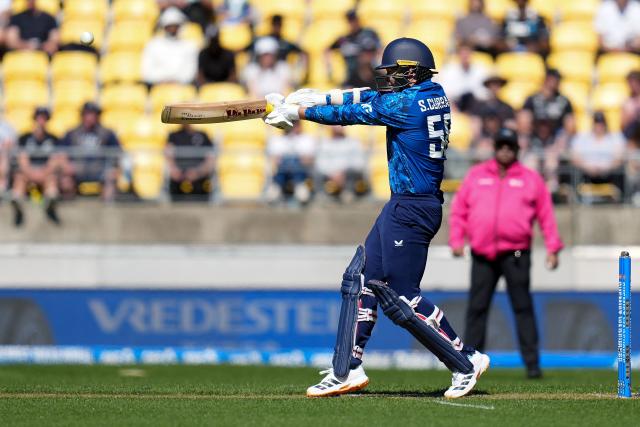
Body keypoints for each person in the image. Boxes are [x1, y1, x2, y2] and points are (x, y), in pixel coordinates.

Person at [264, 37, 490, 398]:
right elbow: (371, 97)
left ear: (411, 72)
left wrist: (300, 113)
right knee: (361, 279)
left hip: (413, 207)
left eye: (394, 73)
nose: (387, 79)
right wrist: (321, 96)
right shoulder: (430, 93)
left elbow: (359, 112)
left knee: (402, 297)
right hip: (407, 203)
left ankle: (465, 361)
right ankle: (347, 368)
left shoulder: (409, 104)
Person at [449, 128, 563, 379]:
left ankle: (532, 365)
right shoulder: (476, 175)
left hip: (517, 254)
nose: (505, 150)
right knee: (477, 309)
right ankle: (469, 365)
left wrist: (553, 247)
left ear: (516, 150)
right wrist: (457, 239)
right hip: (482, 254)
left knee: (523, 308)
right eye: (501, 145)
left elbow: (546, 216)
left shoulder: (531, 179)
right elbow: (459, 210)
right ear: (495, 147)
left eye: (509, 146)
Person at [520, 69, 575, 192]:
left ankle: (549, 197)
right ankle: (531, 194)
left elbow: (570, 127)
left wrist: (559, 144)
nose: (554, 83)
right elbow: (523, 124)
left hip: (554, 143)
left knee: (551, 165)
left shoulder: (564, 101)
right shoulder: (532, 99)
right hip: (533, 142)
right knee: (530, 165)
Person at [10, 107, 64, 226]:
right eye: (39, 118)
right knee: (19, 177)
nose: (41, 121)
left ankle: (51, 200)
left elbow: (54, 161)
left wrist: (43, 173)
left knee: (52, 179)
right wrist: (32, 174)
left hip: (45, 173)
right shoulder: (24, 138)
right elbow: (22, 160)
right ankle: (17, 199)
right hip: (28, 172)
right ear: (34, 119)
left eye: (44, 119)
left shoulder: (53, 139)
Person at [61, 102, 121, 201]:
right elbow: (60, 152)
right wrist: (66, 165)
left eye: (94, 114)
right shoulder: (72, 133)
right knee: (65, 181)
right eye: (88, 113)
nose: (91, 117)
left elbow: (117, 153)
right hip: (78, 168)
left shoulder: (107, 133)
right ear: (82, 115)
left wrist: (114, 168)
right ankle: (69, 211)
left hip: (100, 169)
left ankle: (108, 212)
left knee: (110, 179)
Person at [571, 111, 626, 199]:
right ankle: (575, 199)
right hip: (587, 173)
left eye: (601, 123)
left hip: (609, 174)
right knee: (574, 171)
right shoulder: (582, 138)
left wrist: (605, 168)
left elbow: (619, 159)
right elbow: (575, 158)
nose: (599, 126)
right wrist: (588, 168)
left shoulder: (615, 138)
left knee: (621, 171)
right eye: (597, 123)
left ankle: (621, 199)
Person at [142, 7, 198, 85]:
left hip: (183, 89)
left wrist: (176, 81)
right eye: (169, 26)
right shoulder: (153, 45)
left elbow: (190, 72)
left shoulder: (190, 46)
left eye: (175, 26)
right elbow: (147, 72)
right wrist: (163, 80)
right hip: (158, 89)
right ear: (164, 27)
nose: (172, 29)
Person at [326, 10, 381, 86]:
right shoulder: (344, 39)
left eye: (354, 20)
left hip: (368, 76)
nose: (352, 23)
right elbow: (328, 50)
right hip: (350, 78)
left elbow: (378, 49)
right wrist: (330, 69)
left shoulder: (368, 34)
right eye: (350, 21)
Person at [265, 121, 315, 204]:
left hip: (300, 171)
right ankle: (276, 190)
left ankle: (300, 190)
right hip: (282, 171)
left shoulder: (307, 139)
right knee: (284, 168)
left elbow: (308, 159)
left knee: (294, 165)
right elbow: (274, 159)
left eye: (295, 124)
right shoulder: (277, 139)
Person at [315, 126, 366, 202]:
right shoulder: (325, 143)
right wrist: (332, 174)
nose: (339, 127)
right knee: (316, 173)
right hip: (330, 174)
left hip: (347, 173)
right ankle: (321, 196)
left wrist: (342, 172)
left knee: (352, 172)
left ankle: (348, 193)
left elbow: (359, 163)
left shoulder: (353, 142)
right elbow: (320, 164)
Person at [469, 75, 515, 159]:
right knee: (482, 152)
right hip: (483, 143)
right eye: (492, 85)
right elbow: (475, 130)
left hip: (502, 143)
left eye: (497, 85)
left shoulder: (507, 108)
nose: (494, 87)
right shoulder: (479, 106)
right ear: (488, 87)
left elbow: (510, 130)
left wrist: (498, 141)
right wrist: (482, 140)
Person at [166, 124, 216, 201]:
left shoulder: (203, 135)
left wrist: (198, 172)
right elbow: (168, 155)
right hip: (178, 177)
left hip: (200, 178)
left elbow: (210, 158)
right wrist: (175, 171)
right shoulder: (173, 136)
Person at [437, 43, 489, 111]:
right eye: (462, 54)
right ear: (458, 55)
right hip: (455, 105)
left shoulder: (481, 70)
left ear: (472, 54)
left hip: (476, 104)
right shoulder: (449, 70)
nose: (465, 56)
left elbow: (485, 92)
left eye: (467, 53)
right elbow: (445, 92)